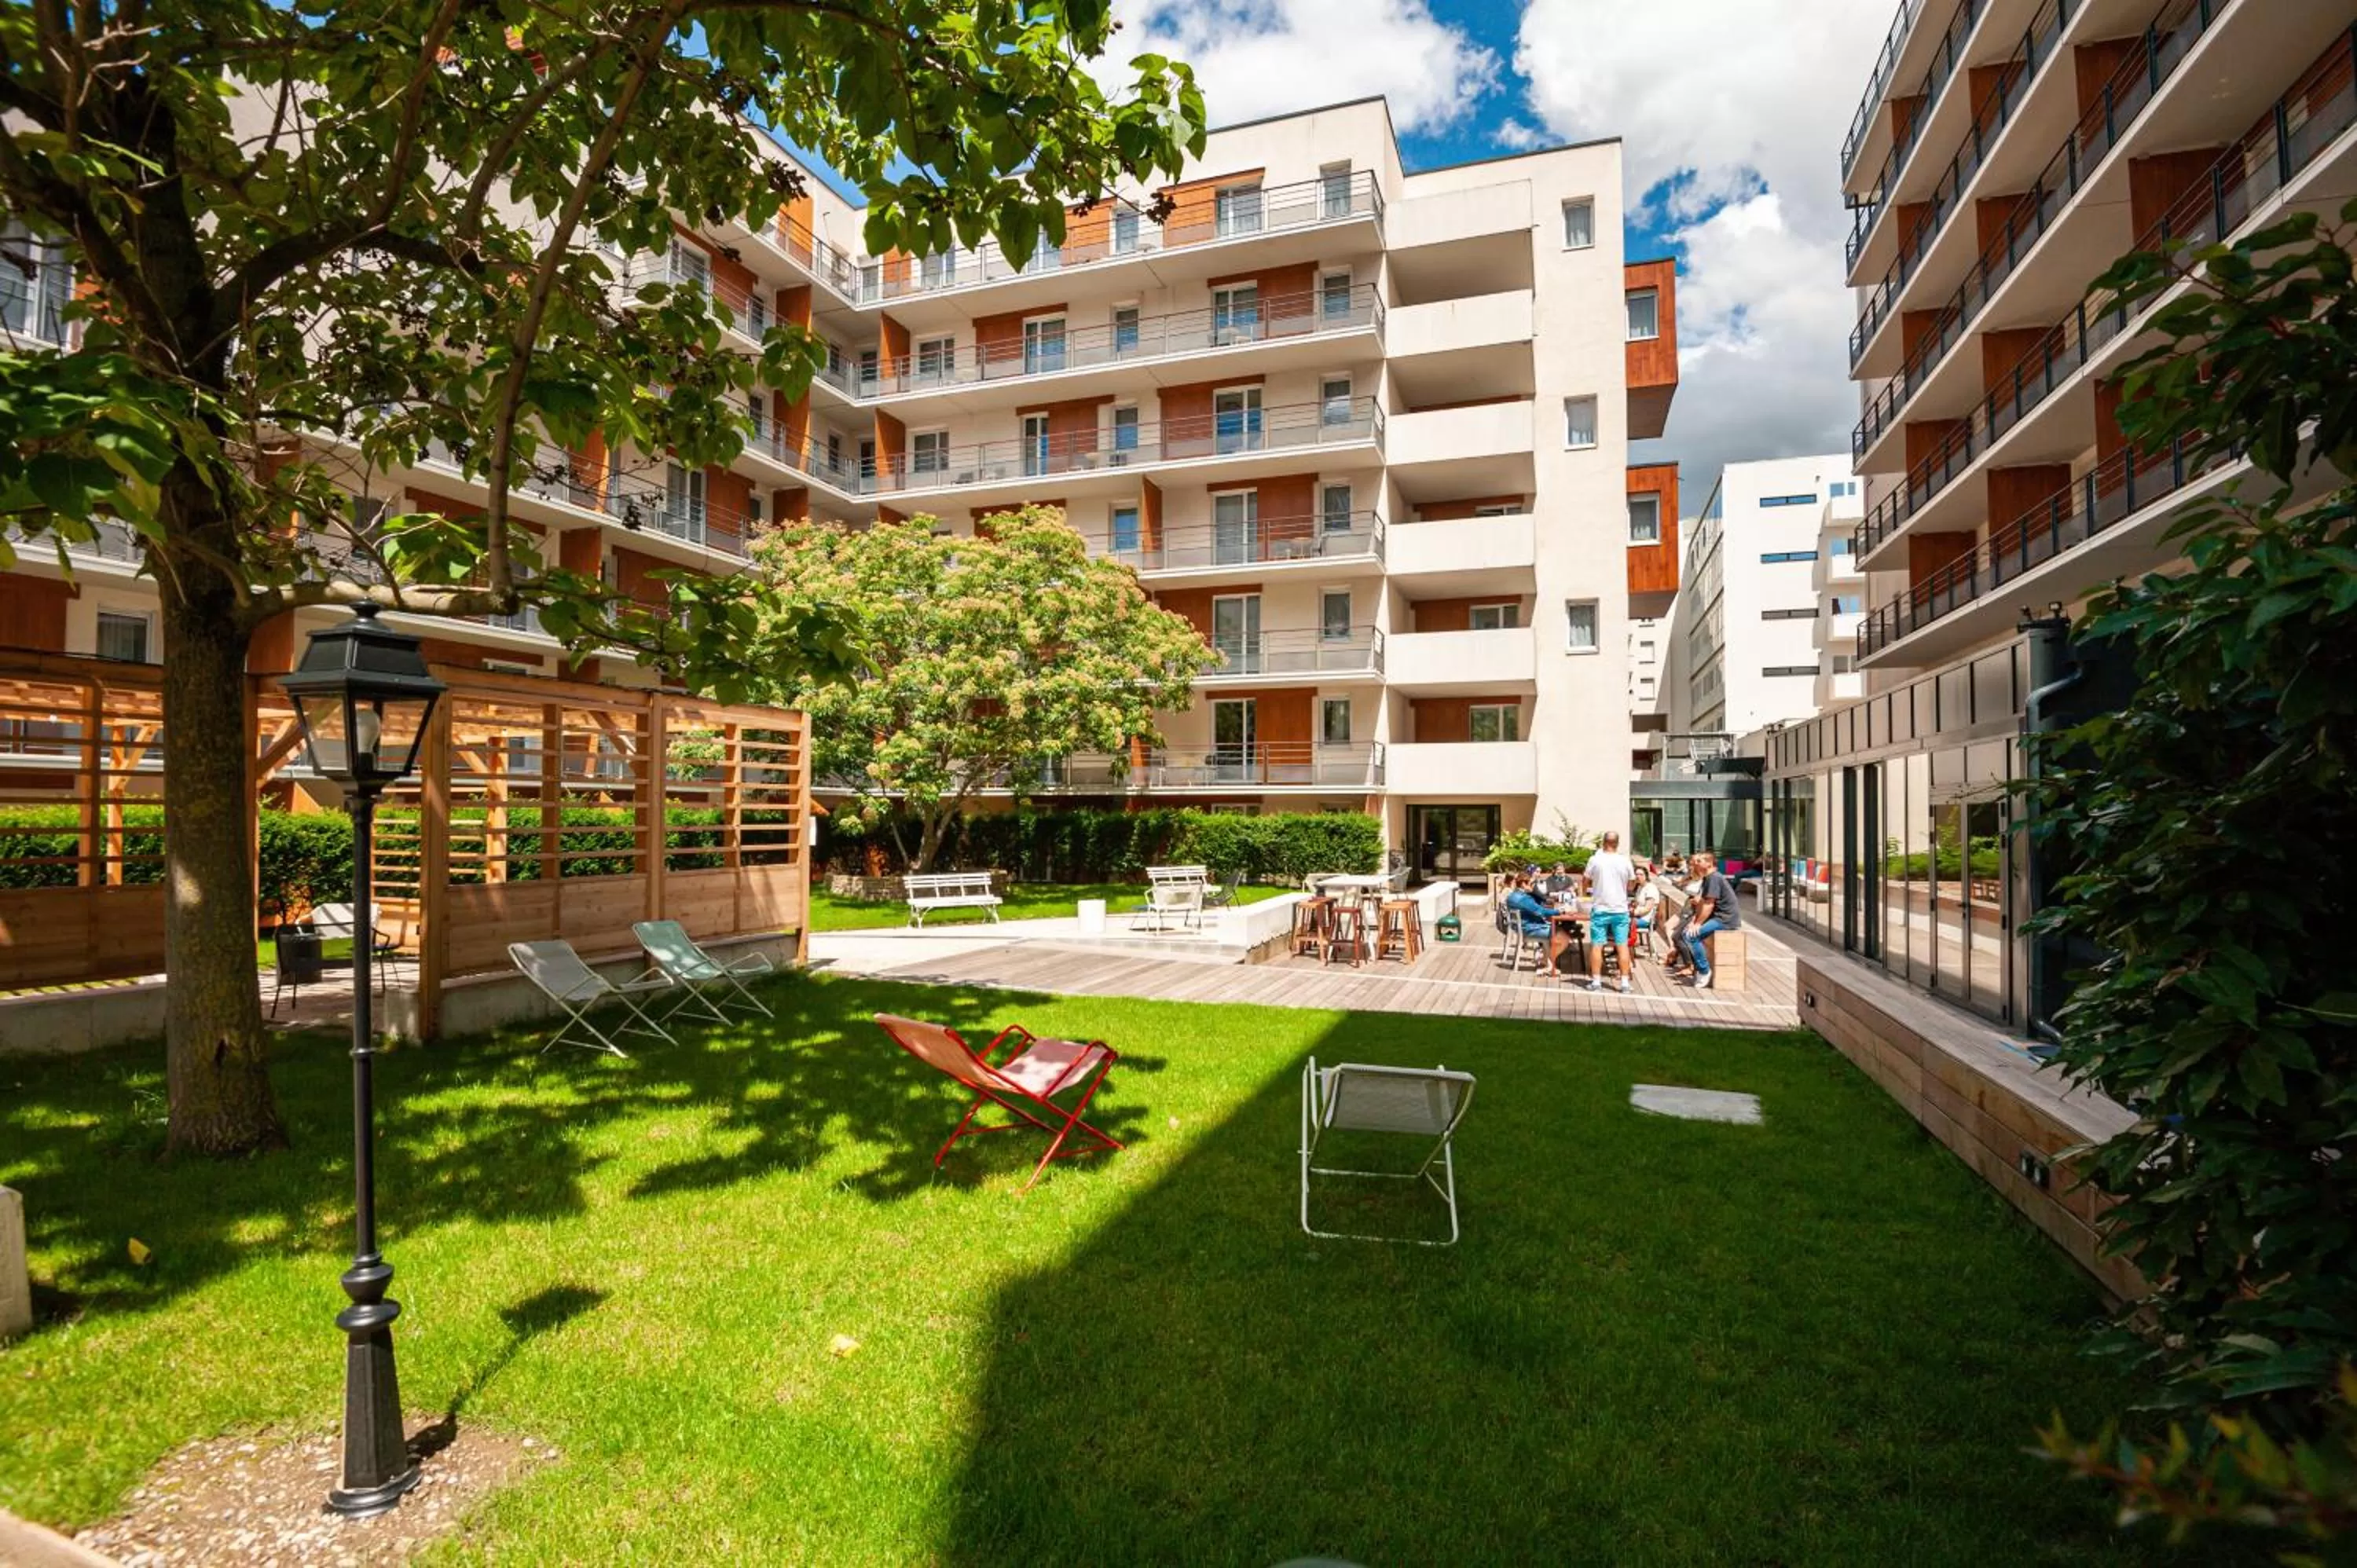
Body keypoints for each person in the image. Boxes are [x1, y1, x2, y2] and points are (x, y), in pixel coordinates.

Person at [1580, 831, 1637, 992]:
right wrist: (1624, 889)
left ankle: (1596, 981)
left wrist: (1586, 893)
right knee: (1622, 946)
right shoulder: (1625, 860)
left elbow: (1585, 880)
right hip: (1620, 909)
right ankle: (1625, 983)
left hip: (1600, 908)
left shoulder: (1595, 860)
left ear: (1603, 842)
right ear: (1617, 843)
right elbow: (1632, 883)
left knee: (1597, 945)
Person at [1680, 850, 1742, 990]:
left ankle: (1704, 971)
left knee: (1690, 936)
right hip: (1718, 917)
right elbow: (1702, 902)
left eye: (1699, 861)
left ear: (1708, 863)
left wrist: (1697, 925)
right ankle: (1698, 968)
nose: (1696, 863)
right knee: (1687, 932)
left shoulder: (1714, 878)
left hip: (1725, 919)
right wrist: (1694, 921)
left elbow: (1709, 904)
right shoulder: (1708, 878)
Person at [1501, 871, 1556, 969]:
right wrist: (1561, 911)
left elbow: (1537, 908)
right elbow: (1541, 911)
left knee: (1557, 929)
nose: (1534, 886)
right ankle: (1550, 964)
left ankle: (1545, 959)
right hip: (1530, 930)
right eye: (1532, 884)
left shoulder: (1514, 895)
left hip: (1523, 928)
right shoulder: (1523, 899)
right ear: (1523, 884)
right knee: (1561, 933)